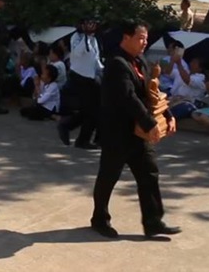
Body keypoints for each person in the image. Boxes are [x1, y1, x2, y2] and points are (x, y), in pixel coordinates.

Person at [90, 20, 181, 239]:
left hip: (138, 133)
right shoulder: (117, 64)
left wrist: (167, 114)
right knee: (108, 177)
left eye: (146, 39)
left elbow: (152, 93)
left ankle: (153, 222)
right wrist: (150, 124)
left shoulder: (140, 62)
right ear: (126, 38)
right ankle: (99, 219)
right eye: (140, 38)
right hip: (117, 133)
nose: (144, 43)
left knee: (149, 174)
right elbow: (128, 98)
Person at [58, 17, 102, 149]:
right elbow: (77, 53)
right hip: (79, 78)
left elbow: (96, 60)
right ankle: (81, 139)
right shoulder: (76, 38)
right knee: (91, 111)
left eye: (93, 24)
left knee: (92, 110)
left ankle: (68, 126)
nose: (91, 26)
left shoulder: (94, 40)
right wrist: (86, 37)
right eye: (88, 23)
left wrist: (105, 71)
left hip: (91, 78)